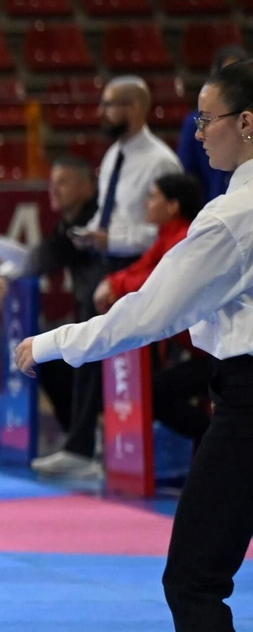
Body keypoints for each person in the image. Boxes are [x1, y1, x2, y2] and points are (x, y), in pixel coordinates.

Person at [14, 59, 253, 632]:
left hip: (249, 401)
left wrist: (53, 342)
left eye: (207, 118)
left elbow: (150, 313)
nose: (197, 134)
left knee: (194, 575)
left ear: (248, 123)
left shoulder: (231, 217)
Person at [0, 158, 106, 476]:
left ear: (88, 187)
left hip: (109, 321)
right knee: (49, 356)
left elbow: (32, 261)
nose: (54, 190)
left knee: (55, 353)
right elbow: (32, 258)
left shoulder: (89, 225)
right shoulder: (67, 225)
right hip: (92, 320)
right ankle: (81, 442)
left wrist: (3, 272)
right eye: (51, 182)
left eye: (63, 182)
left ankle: (85, 446)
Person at [93, 173, 212, 443]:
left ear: (173, 206)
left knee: (154, 393)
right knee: (155, 391)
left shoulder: (185, 237)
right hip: (200, 352)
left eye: (153, 197)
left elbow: (155, 281)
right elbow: (140, 269)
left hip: (217, 354)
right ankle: (213, 441)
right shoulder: (166, 236)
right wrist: (112, 282)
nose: (146, 203)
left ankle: (217, 441)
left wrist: (115, 285)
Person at [85, 76, 182, 261]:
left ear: (134, 107)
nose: (100, 112)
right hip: (106, 261)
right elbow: (107, 210)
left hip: (144, 265)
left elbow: (168, 230)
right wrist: (90, 232)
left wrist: (113, 241)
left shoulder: (161, 162)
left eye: (108, 105)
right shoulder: (112, 155)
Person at [179, 46, 249, 201]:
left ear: (246, 123)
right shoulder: (192, 124)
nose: (199, 134)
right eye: (227, 75)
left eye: (239, 75)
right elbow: (188, 177)